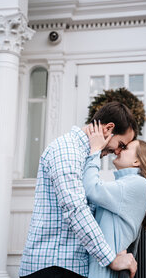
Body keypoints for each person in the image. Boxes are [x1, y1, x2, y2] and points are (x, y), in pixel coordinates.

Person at [19, 102, 138, 278]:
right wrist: (111, 258)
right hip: (53, 266)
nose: (118, 152)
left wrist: (118, 248)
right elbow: (75, 209)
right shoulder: (67, 150)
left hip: (69, 266)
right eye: (120, 144)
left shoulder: (87, 155)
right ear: (108, 128)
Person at [83, 121, 146, 278]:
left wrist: (95, 150)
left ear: (136, 161)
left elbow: (91, 189)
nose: (118, 150)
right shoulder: (124, 185)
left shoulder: (138, 185)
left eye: (125, 148)